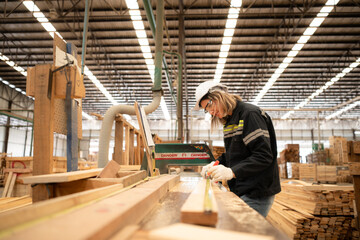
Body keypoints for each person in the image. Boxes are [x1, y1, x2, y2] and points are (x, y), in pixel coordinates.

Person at [194, 80, 281, 217]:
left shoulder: (249, 114)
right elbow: (233, 154)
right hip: (243, 189)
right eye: (207, 110)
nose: (211, 112)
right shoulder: (229, 121)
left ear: (219, 96)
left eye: (210, 105)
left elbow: (263, 156)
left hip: (257, 192)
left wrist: (232, 172)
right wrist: (215, 164)